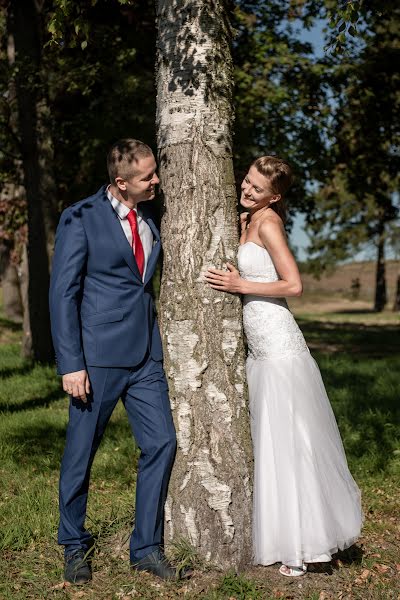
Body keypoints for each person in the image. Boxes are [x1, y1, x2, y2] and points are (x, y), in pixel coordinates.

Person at [205, 156, 362, 577]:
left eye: (257, 188)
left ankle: (304, 545)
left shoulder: (268, 222)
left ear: (275, 196)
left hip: (278, 344)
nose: (247, 189)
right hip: (260, 348)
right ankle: (285, 534)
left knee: (291, 443)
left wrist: (241, 284)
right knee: (274, 443)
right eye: (246, 181)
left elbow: (294, 284)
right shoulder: (247, 218)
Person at [49, 139, 181, 584]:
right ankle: (73, 545)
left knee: (161, 442)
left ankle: (145, 548)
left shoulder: (152, 214)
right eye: (148, 176)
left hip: (146, 355)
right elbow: (62, 293)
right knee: (81, 453)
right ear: (121, 182)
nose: (156, 181)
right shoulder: (80, 217)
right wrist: (71, 363)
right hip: (97, 357)